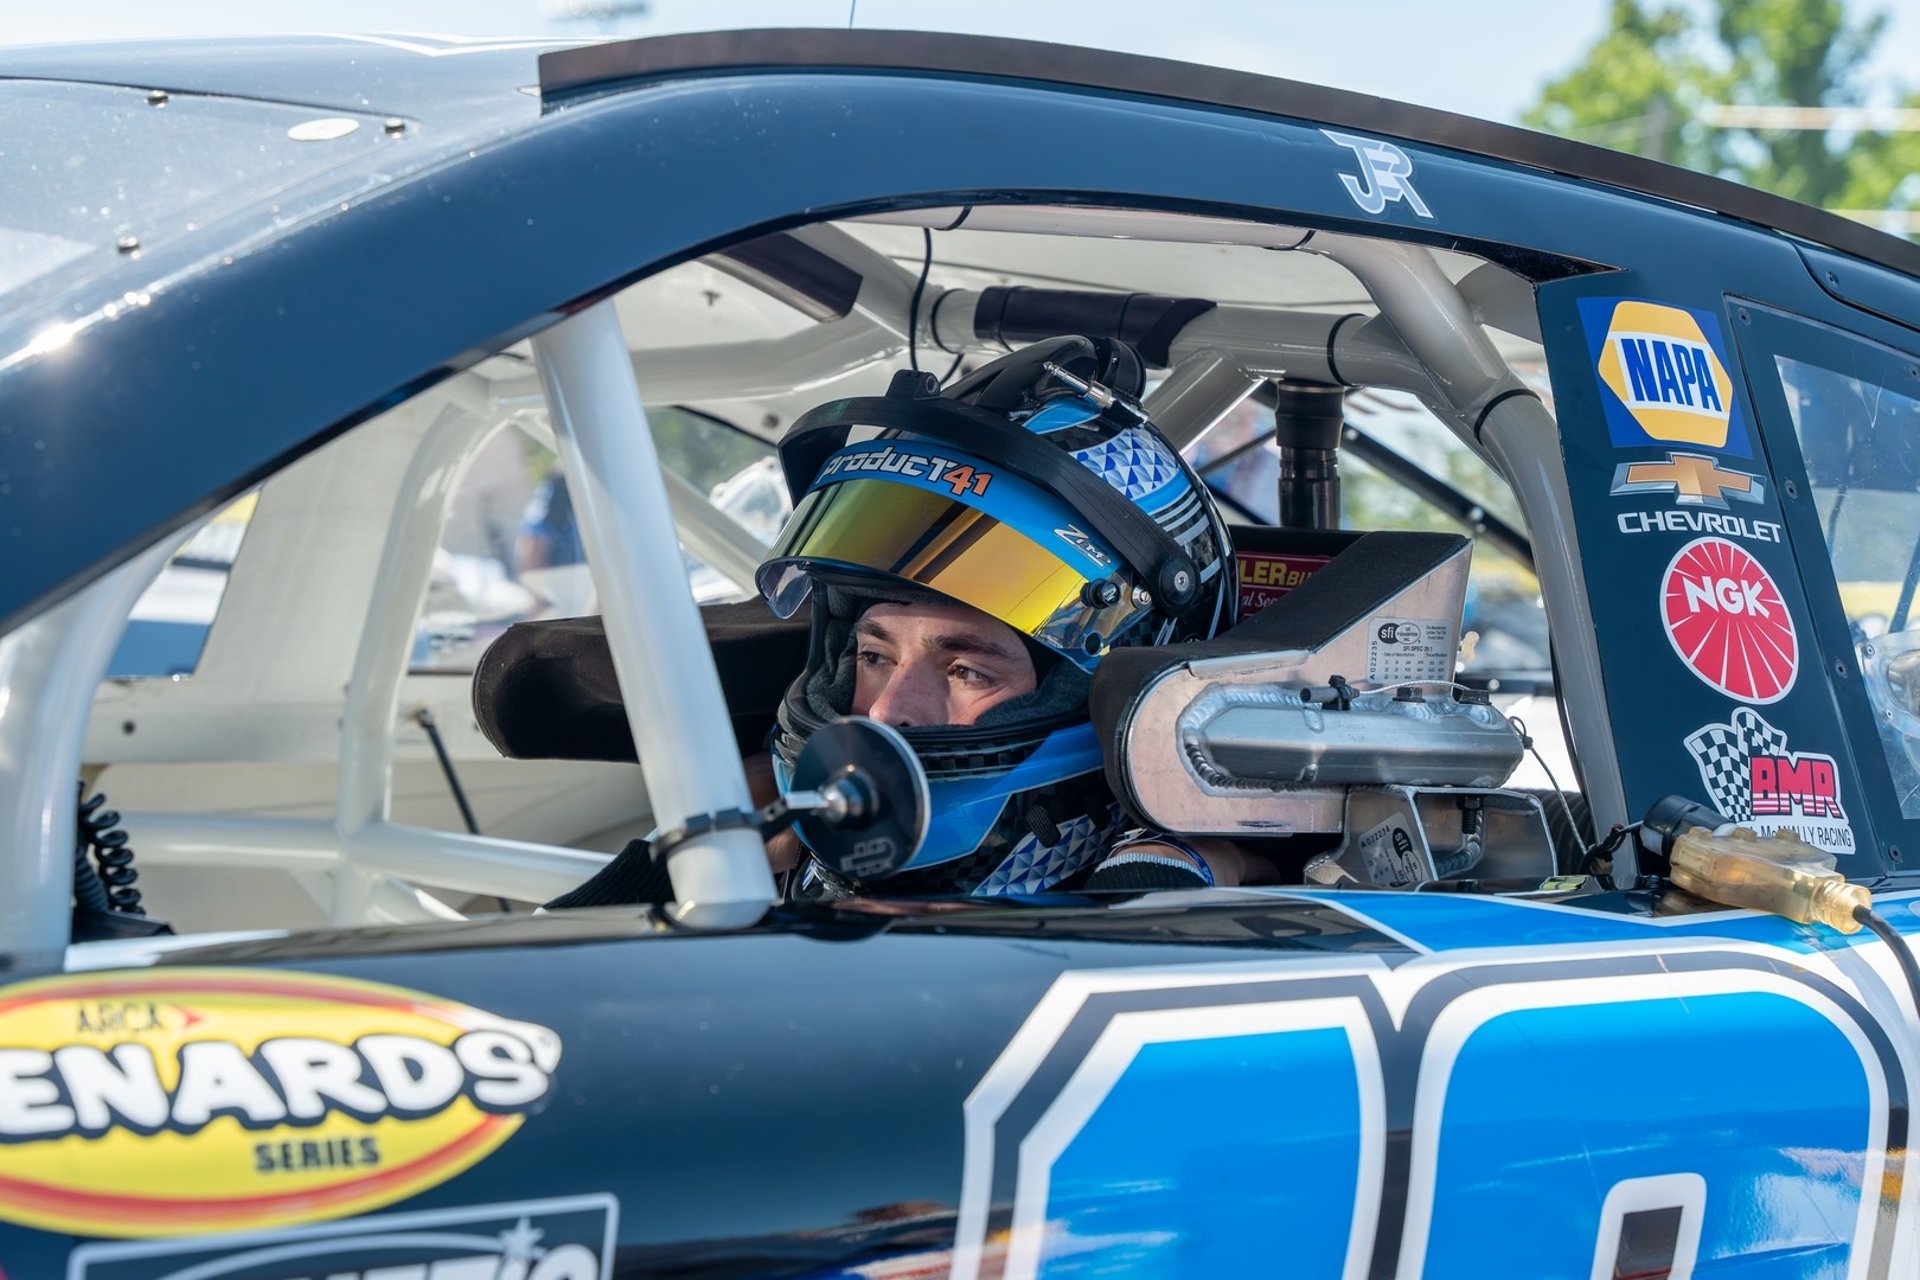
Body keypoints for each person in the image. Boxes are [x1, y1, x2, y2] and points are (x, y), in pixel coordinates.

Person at [547, 335, 1261, 909]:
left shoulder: (1202, 929)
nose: (888, 713)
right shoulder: (755, 849)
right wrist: (690, 854)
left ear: (1110, 698)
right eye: (873, 656)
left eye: (965, 669)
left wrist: (1164, 881)